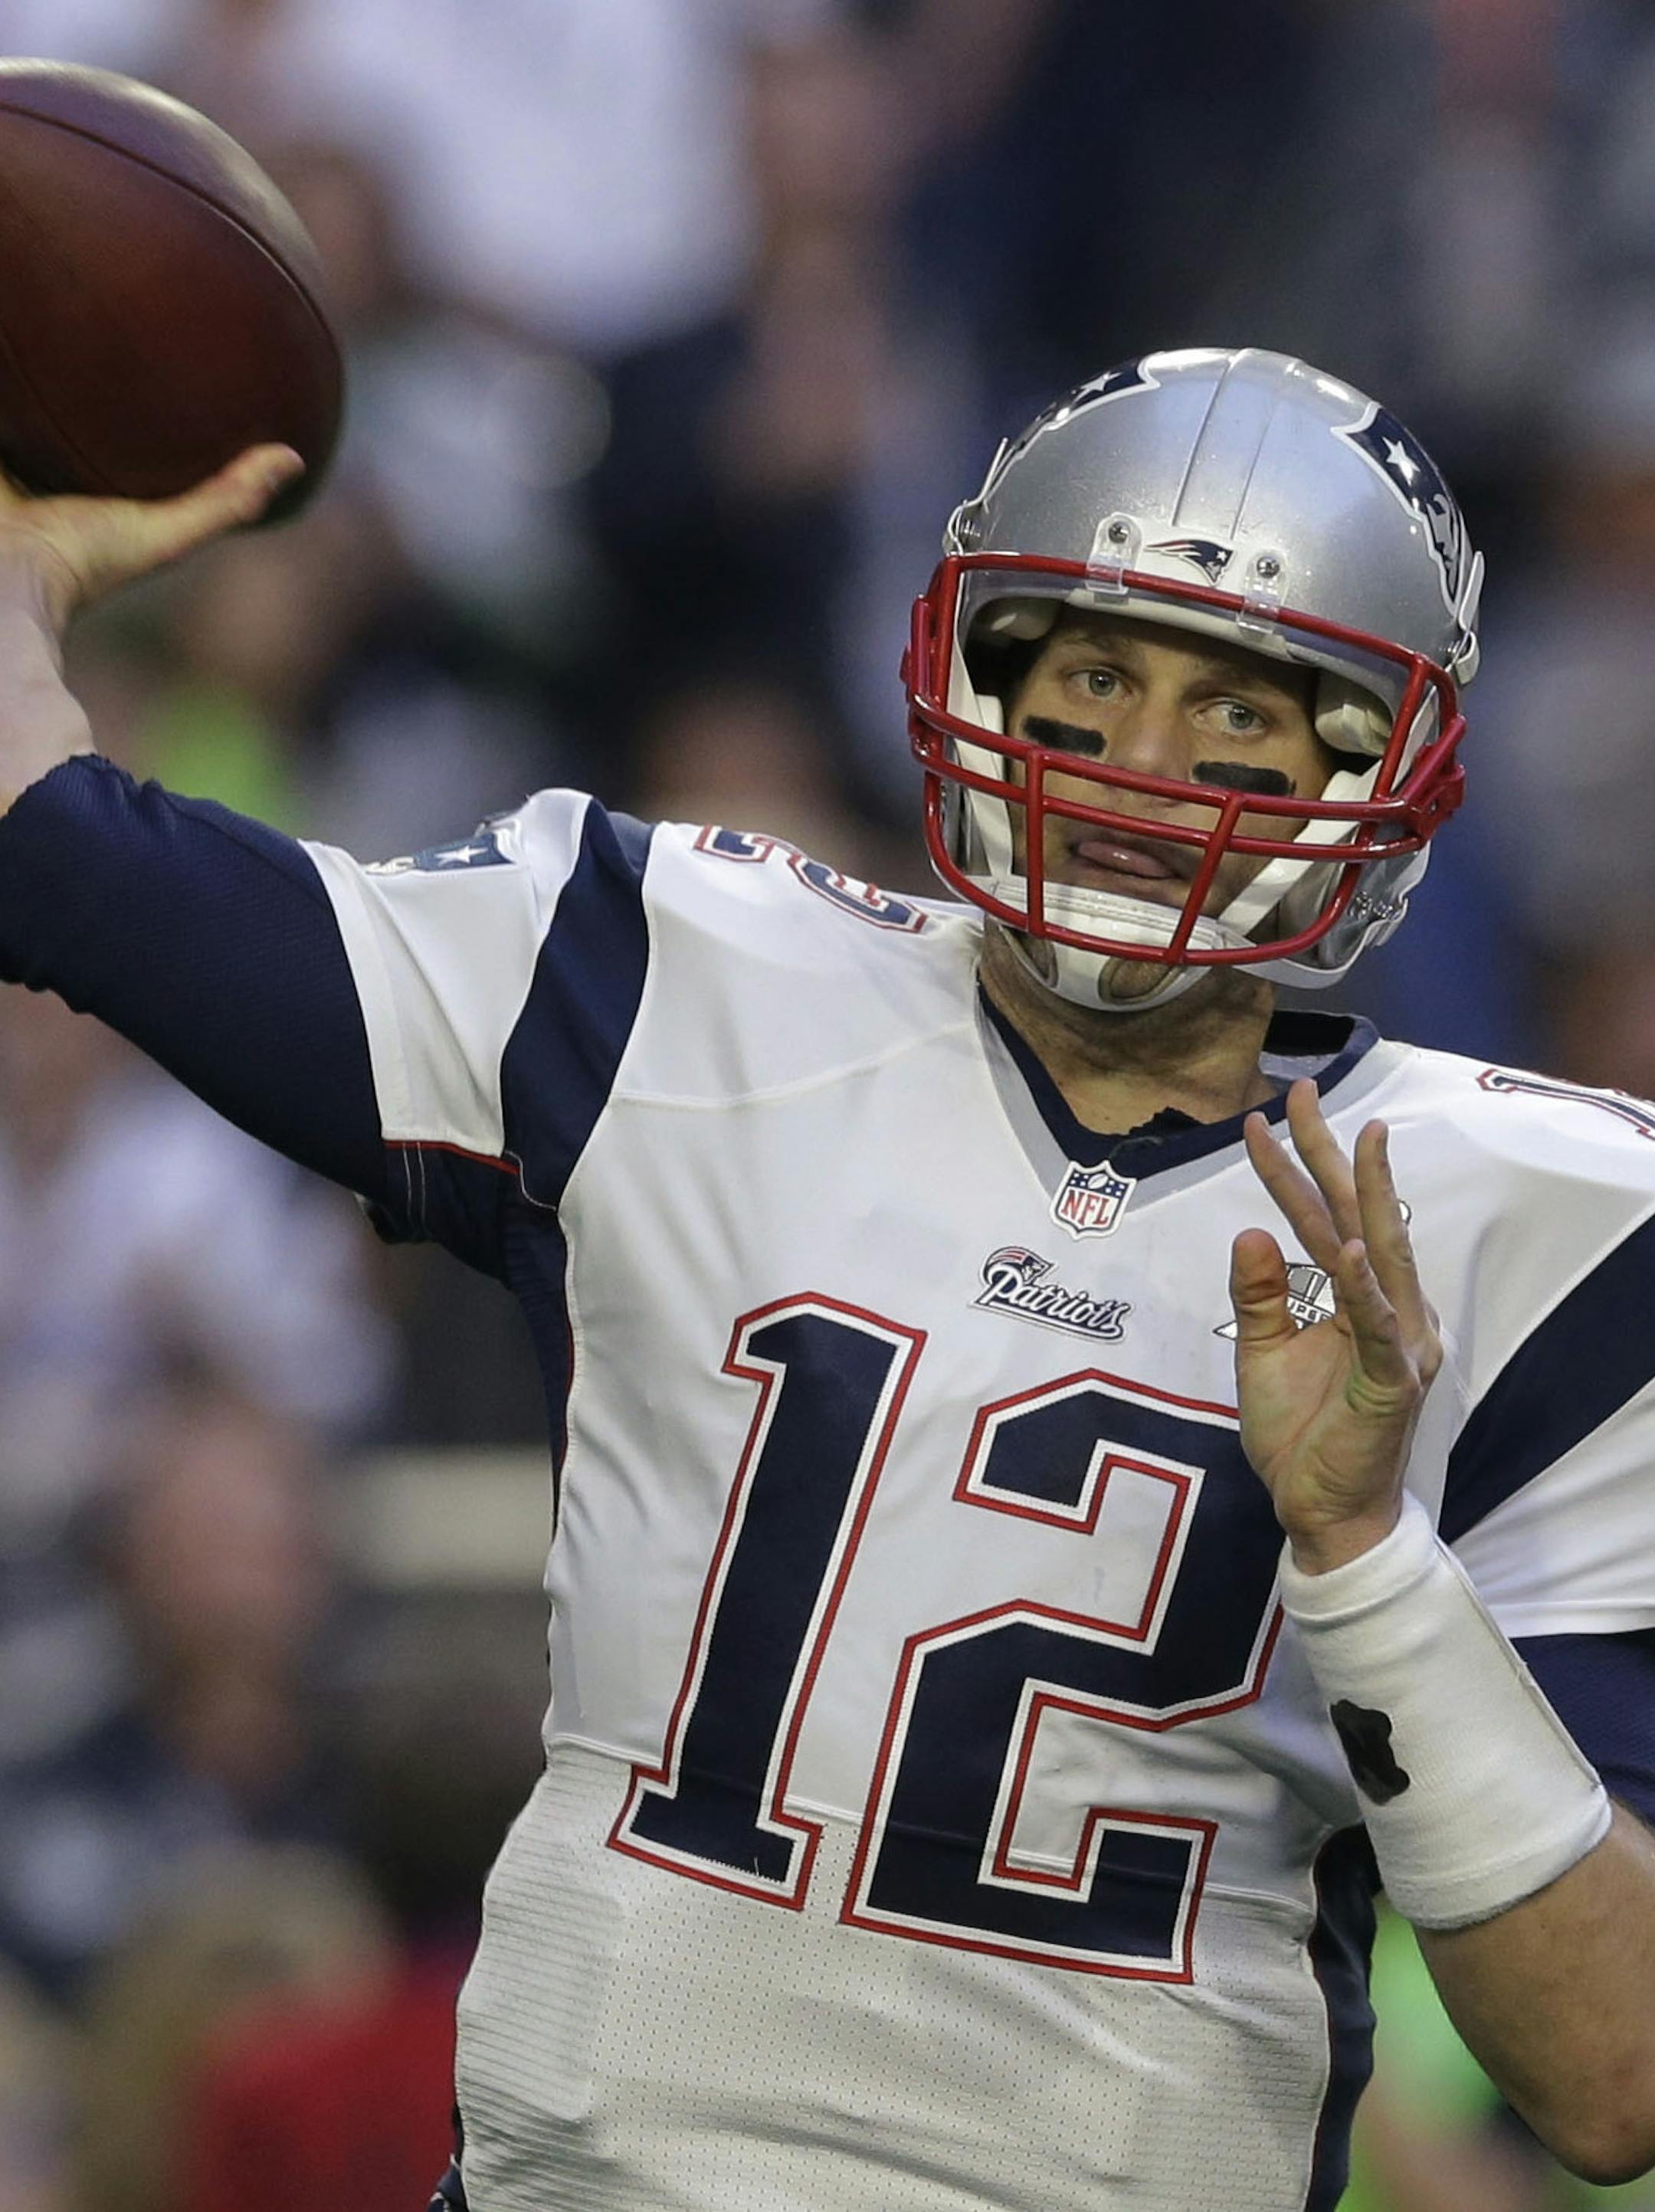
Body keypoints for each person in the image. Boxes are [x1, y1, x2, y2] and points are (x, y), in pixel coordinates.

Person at [0, 346, 1653, 2211]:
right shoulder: (672, 979)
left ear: (1378, 771)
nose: (1142, 767)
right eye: (1097, 670)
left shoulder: (1533, 1230)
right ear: (979, 661)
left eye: (1241, 711)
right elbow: (60, 861)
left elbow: (1613, 2074)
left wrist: (1363, 1558)